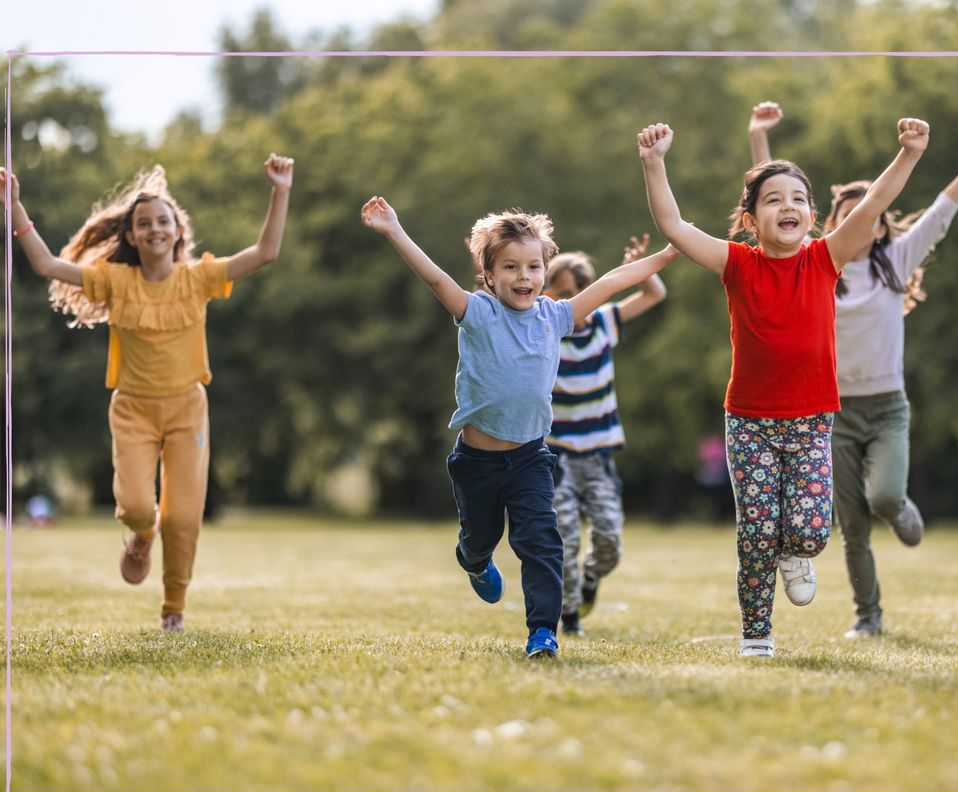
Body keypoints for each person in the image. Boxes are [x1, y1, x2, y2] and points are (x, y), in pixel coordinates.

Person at [637, 117, 929, 657]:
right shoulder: (737, 264)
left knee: (813, 530)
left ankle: (796, 553)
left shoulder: (825, 258)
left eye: (797, 198)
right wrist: (654, 164)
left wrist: (908, 154)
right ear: (750, 220)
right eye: (773, 199)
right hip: (748, 421)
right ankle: (756, 633)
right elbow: (675, 225)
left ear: (812, 217)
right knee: (755, 529)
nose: (787, 206)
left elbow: (870, 207)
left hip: (812, 420)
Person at [0, 157, 293, 631]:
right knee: (133, 505)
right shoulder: (115, 281)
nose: (154, 229)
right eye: (143, 223)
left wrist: (279, 190)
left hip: (188, 410)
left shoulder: (200, 279)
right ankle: (141, 534)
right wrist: (15, 206)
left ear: (177, 232)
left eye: (162, 222)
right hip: (132, 410)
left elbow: (266, 252)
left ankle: (174, 608)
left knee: (184, 517)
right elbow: (46, 264)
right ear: (130, 236)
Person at [360, 198, 676, 658]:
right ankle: (473, 558)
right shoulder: (479, 314)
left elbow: (611, 282)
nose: (524, 277)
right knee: (480, 538)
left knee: (542, 542)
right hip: (477, 461)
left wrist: (669, 252)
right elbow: (434, 277)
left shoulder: (556, 317)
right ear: (489, 275)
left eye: (533, 266)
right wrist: (394, 230)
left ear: (545, 272)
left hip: (531, 457)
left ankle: (542, 632)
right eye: (510, 267)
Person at [747, 101, 958, 640]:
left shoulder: (897, 262)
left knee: (882, 498)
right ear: (833, 223)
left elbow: (943, 208)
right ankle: (869, 616)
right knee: (852, 526)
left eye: (874, 213)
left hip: (885, 408)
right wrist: (759, 137)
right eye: (850, 213)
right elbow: (771, 199)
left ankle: (902, 510)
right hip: (830, 411)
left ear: (880, 224)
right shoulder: (813, 264)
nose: (865, 220)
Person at [544, 234, 667, 635]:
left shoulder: (604, 322)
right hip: (557, 457)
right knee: (562, 543)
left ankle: (593, 578)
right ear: (548, 294)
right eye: (563, 294)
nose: (576, 305)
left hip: (598, 457)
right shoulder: (544, 331)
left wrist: (638, 266)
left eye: (583, 295)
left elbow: (654, 294)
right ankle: (570, 614)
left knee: (609, 539)